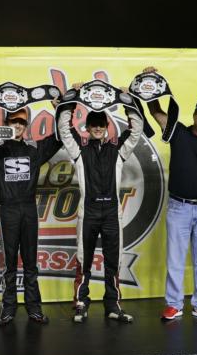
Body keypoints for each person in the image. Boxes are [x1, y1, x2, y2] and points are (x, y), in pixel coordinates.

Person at [0, 102, 62, 326]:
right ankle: (8, 309)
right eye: (13, 121)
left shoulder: (34, 149)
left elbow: (59, 138)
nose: (17, 125)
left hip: (28, 208)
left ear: (26, 125)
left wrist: (61, 109)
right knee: (9, 263)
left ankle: (34, 309)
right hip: (6, 208)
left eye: (21, 122)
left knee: (30, 262)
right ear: (6, 123)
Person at [144, 67, 197, 322]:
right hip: (179, 207)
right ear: (194, 116)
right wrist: (151, 84)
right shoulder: (179, 133)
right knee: (176, 260)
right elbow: (156, 112)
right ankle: (174, 304)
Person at [56, 87, 143, 323]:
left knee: (114, 261)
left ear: (106, 127)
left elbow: (136, 130)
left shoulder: (118, 149)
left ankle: (113, 305)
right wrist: (71, 99)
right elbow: (64, 128)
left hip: (113, 214)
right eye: (93, 124)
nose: (97, 128)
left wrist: (128, 100)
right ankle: (81, 303)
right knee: (84, 260)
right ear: (87, 127)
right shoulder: (79, 149)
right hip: (89, 213)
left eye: (101, 125)